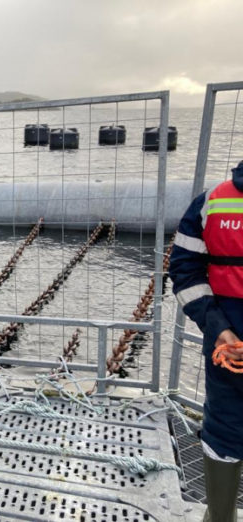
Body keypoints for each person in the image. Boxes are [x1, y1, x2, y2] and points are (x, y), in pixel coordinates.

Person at [169, 159, 243, 522]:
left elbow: (185, 271)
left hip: (228, 346)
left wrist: (219, 328)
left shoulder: (212, 202)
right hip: (229, 351)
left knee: (224, 431)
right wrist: (220, 330)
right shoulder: (213, 202)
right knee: (224, 430)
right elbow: (184, 270)